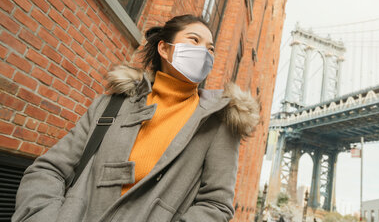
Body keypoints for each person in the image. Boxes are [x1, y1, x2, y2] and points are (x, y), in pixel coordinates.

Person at [13, 14, 260, 222]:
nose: (204, 53)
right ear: (164, 48)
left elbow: (216, 205)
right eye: (194, 40)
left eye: (210, 49)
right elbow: (49, 169)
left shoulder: (218, 123)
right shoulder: (112, 103)